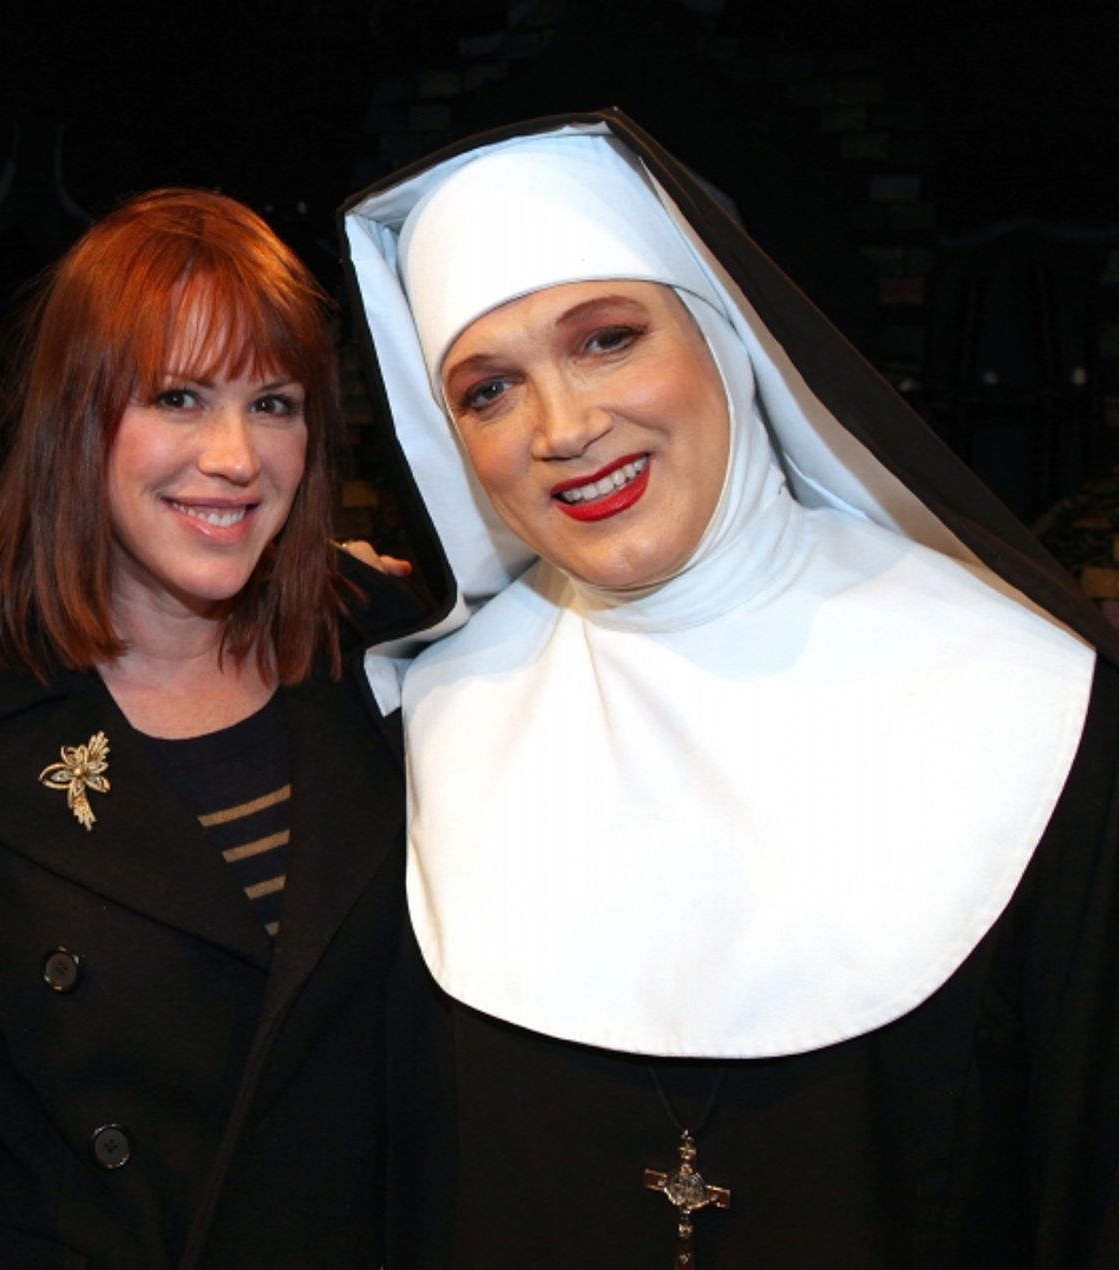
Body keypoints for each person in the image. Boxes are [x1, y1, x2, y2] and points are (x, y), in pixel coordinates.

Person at [340, 110, 1119, 1268]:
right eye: (489, 389)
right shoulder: (429, 726)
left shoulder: (1030, 701)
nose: (563, 427)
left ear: (727, 339)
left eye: (606, 339)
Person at [0, 189, 439, 1269]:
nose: (236, 457)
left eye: (276, 403)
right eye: (180, 395)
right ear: (78, 416)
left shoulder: (390, 647)